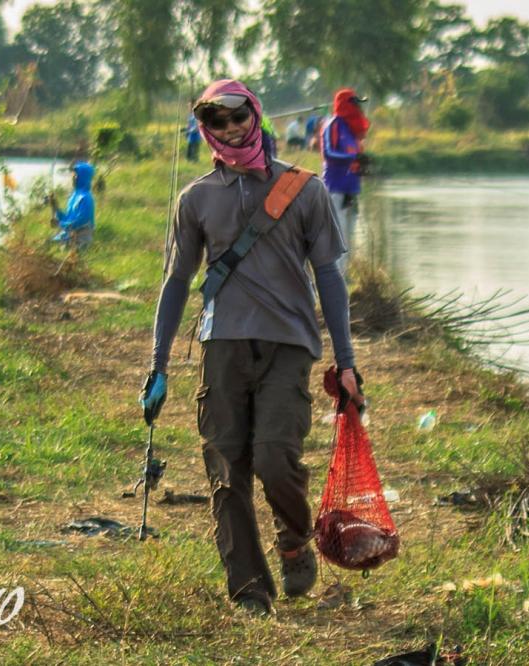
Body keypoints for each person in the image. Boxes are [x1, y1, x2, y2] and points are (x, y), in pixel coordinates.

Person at [139, 79, 365, 617]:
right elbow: (176, 282)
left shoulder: (305, 190)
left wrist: (348, 361)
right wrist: (158, 364)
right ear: (205, 130)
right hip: (222, 344)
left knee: (274, 458)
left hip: (290, 344)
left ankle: (293, 538)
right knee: (226, 469)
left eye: (238, 116)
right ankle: (249, 590)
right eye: (216, 121)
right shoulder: (195, 199)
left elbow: (329, 276)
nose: (230, 127)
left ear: (255, 115)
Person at [320, 88, 370, 274]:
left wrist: (362, 163)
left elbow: (356, 157)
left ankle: (344, 276)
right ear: (346, 104)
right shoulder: (332, 125)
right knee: (337, 234)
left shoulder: (352, 129)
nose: (358, 107)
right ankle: (335, 278)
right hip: (335, 187)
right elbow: (328, 153)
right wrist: (353, 158)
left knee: (349, 235)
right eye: (355, 103)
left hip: (351, 188)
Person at [50, 161, 96, 250]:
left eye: (76, 175)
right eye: (73, 175)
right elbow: (67, 219)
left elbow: (80, 222)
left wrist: (60, 224)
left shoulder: (86, 198)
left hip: (80, 240)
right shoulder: (74, 196)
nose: (73, 178)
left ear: (83, 177)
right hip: (68, 236)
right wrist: (55, 207)